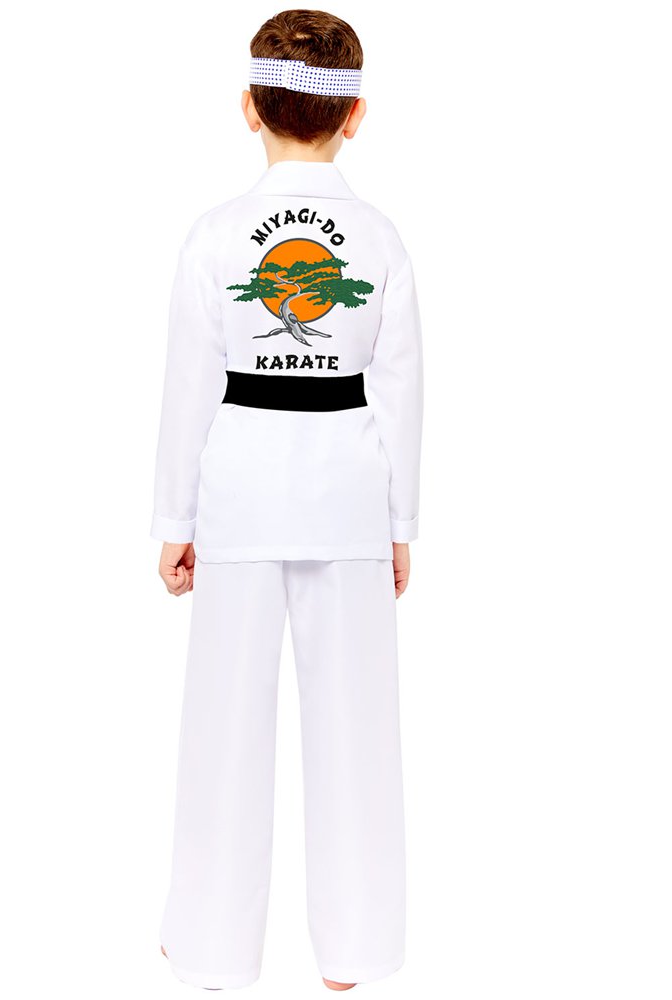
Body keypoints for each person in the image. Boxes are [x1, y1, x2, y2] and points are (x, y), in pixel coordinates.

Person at [150, 9, 424, 992]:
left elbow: (188, 390)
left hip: (240, 491)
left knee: (224, 722)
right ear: (357, 117)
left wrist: (173, 523)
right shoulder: (379, 238)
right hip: (349, 495)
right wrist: (401, 524)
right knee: (357, 727)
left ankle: (212, 945)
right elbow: (401, 389)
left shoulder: (216, 236)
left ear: (246, 108)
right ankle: (355, 950)